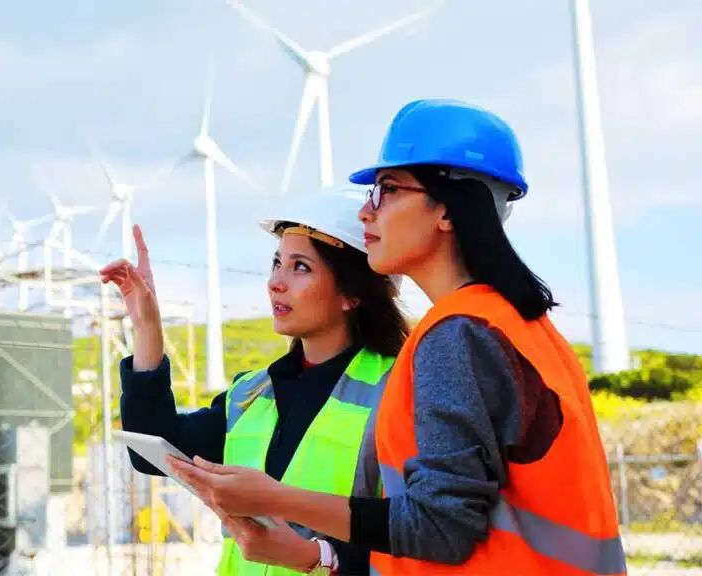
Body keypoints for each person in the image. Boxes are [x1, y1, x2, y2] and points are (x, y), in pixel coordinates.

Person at [168, 98, 626, 575]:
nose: (366, 213)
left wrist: (277, 498)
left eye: (386, 190)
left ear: (447, 211)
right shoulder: (521, 325)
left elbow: (441, 528)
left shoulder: (458, 335)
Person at [97, 189, 411, 575]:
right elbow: (152, 448)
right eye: (276, 263)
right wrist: (147, 326)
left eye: (300, 267)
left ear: (352, 293)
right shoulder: (250, 394)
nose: (276, 282)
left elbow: (420, 535)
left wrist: (317, 558)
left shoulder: (400, 392)